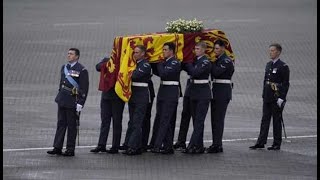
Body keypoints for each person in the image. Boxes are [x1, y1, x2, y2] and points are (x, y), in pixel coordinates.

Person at [47, 48, 89, 157]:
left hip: (73, 100)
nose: (69, 55)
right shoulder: (64, 67)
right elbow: (61, 83)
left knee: (71, 126)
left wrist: (81, 102)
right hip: (62, 99)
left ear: (77, 56)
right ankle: (57, 147)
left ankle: (70, 149)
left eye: (71, 54)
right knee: (61, 124)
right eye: (68, 53)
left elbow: (84, 88)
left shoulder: (82, 70)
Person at [249, 43, 290, 151]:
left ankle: (277, 143)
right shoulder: (268, 64)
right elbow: (265, 81)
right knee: (265, 119)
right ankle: (261, 142)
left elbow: (286, 83)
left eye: (272, 50)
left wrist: (282, 98)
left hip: (276, 97)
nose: (270, 52)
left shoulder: (283, 66)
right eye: (270, 50)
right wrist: (264, 94)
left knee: (276, 120)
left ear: (278, 52)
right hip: (267, 96)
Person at [150, 42, 181, 154]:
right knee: (162, 118)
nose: (163, 52)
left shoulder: (175, 62)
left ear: (172, 51)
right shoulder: (165, 63)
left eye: (165, 50)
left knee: (165, 119)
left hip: (170, 94)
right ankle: (168, 146)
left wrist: (159, 64)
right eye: (162, 50)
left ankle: (157, 145)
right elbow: (157, 72)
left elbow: (163, 73)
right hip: (163, 92)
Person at [121, 45, 152, 155]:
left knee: (137, 122)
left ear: (143, 53)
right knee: (132, 121)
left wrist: (127, 71)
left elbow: (135, 75)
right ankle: (130, 144)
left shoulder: (145, 65)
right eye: (134, 52)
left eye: (137, 52)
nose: (134, 54)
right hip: (133, 95)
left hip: (141, 96)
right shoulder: (135, 64)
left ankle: (133, 147)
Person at [90, 57, 125, 154]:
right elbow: (97, 67)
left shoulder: (123, 61)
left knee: (117, 122)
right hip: (106, 95)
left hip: (118, 97)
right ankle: (101, 145)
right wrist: (108, 64)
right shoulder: (108, 60)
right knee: (105, 121)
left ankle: (115, 146)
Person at [181, 41, 212, 154]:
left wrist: (188, 63)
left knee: (199, 121)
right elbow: (188, 68)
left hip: (203, 94)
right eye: (195, 49)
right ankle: (199, 146)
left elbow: (195, 72)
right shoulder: (196, 61)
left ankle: (192, 145)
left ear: (204, 50)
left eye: (198, 49)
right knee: (196, 121)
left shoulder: (205, 62)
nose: (196, 51)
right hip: (194, 93)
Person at [206, 39, 234, 153]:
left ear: (223, 48)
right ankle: (215, 143)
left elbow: (216, 72)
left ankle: (218, 144)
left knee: (218, 119)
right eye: (214, 48)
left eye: (217, 48)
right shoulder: (218, 59)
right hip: (216, 92)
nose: (215, 51)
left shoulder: (226, 61)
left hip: (222, 92)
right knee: (214, 119)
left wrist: (210, 63)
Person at [172, 77, 192, 151]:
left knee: (197, 119)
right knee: (185, 115)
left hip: (198, 86)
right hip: (190, 86)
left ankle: (197, 143)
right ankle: (181, 141)